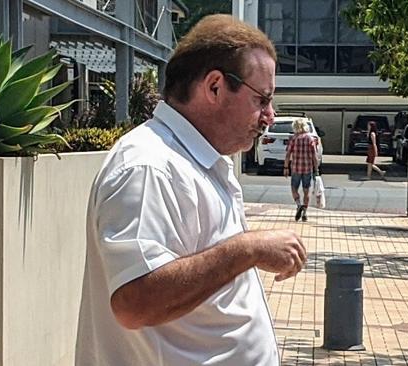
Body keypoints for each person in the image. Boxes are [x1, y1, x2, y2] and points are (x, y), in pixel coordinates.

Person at [75, 14, 307, 366]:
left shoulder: (199, 162)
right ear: (214, 86)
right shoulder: (148, 166)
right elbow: (134, 301)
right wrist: (249, 249)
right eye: (262, 99)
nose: (270, 115)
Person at [283, 118, 319, 222]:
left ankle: (298, 205)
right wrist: (316, 169)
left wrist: (285, 167)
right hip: (307, 168)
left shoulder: (293, 138)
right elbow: (314, 156)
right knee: (306, 190)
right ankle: (305, 212)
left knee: (294, 188)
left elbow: (288, 154)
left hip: (295, 168)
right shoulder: (310, 138)